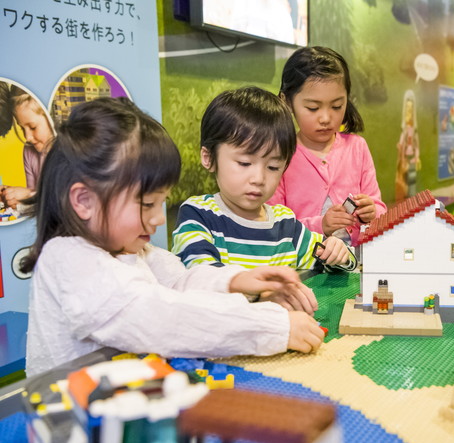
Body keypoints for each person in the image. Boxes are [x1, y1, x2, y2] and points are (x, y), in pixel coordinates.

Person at [20, 97, 324, 377]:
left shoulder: (132, 250)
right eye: (147, 204)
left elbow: (180, 281)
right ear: (84, 201)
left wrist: (236, 280)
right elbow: (160, 317)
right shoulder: (70, 259)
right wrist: (271, 327)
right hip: (70, 414)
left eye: (161, 203)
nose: (156, 219)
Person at [172, 87, 357, 298]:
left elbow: (331, 262)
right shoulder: (198, 215)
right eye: (244, 163)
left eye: (273, 167)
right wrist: (262, 295)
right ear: (208, 158)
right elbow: (201, 278)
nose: (259, 179)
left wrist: (338, 252)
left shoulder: (285, 225)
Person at [268, 46, 386, 246]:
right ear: (287, 102)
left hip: (355, 255)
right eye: (313, 108)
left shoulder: (357, 147)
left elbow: (380, 209)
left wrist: (372, 212)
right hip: (305, 259)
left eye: (337, 106)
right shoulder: (280, 154)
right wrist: (320, 225)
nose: (325, 118)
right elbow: (274, 224)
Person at [0, 84, 56, 209]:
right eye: (22, 128)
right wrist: (12, 196)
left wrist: (29, 195)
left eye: (33, 127)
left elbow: (68, 201)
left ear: (50, 118)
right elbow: (35, 205)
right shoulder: (29, 151)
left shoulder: (69, 151)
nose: (27, 137)